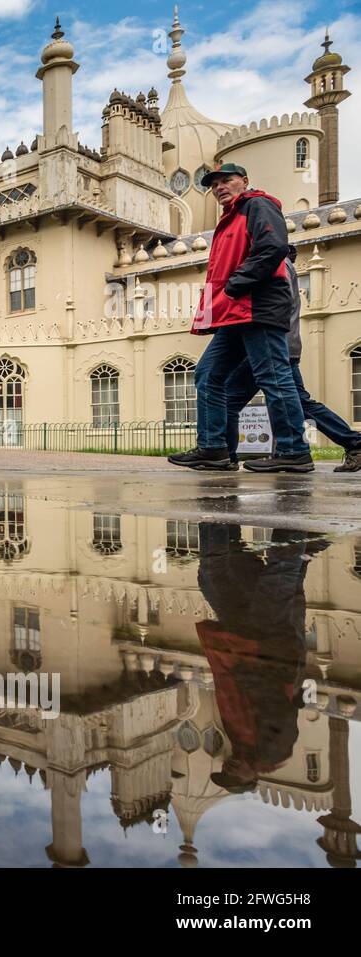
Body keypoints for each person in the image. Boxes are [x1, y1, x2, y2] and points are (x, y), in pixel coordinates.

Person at [168, 163, 310, 473]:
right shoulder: (229, 220)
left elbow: (274, 247)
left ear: (244, 181)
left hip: (256, 308)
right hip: (233, 313)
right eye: (214, 183)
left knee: (274, 378)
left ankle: (294, 450)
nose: (220, 187)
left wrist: (238, 282)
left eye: (226, 180)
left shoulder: (257, 205)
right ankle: (214, 448)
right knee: (208, 374)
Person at [196, 522, 323, 794]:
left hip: (243, 645)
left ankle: (218, 513)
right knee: (279, 574)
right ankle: (293, 514)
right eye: (234, 776)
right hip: (263, 648)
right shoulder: (271, 753)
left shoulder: (242, 745)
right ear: (251, 778)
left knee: (213, 576)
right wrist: (242, 671)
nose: (227, 769)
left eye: (223, 773)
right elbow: (276, 704)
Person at [222, 246, 361, 472]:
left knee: (229, 398)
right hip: (285, 347)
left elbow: (273, 306)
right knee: (300, 403)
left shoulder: (277, 264)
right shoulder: (284, 265)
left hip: (271, 346)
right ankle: (354, 443)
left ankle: (227, 457)